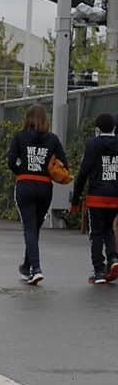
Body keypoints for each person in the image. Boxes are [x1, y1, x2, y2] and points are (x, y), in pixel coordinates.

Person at [7, 102, 68, 285]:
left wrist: (22, 172)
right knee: (35, 227)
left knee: (29, 228)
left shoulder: (19, 137)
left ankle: (36, 268)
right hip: (44, 187)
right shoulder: (52, 139)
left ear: (28, 119)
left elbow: (11, 161)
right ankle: (27, 266)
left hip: (25, 184)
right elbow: (63, 162)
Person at [70, 112, 118, 285]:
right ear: (114, 127)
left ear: (97, 128)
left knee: (96, 233)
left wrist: (75, 200)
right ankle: (113, 259)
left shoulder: (92, 145)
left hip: (96, 196)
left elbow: (83, 173)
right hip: (115, 196)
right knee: (109, 229)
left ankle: (98, 270)